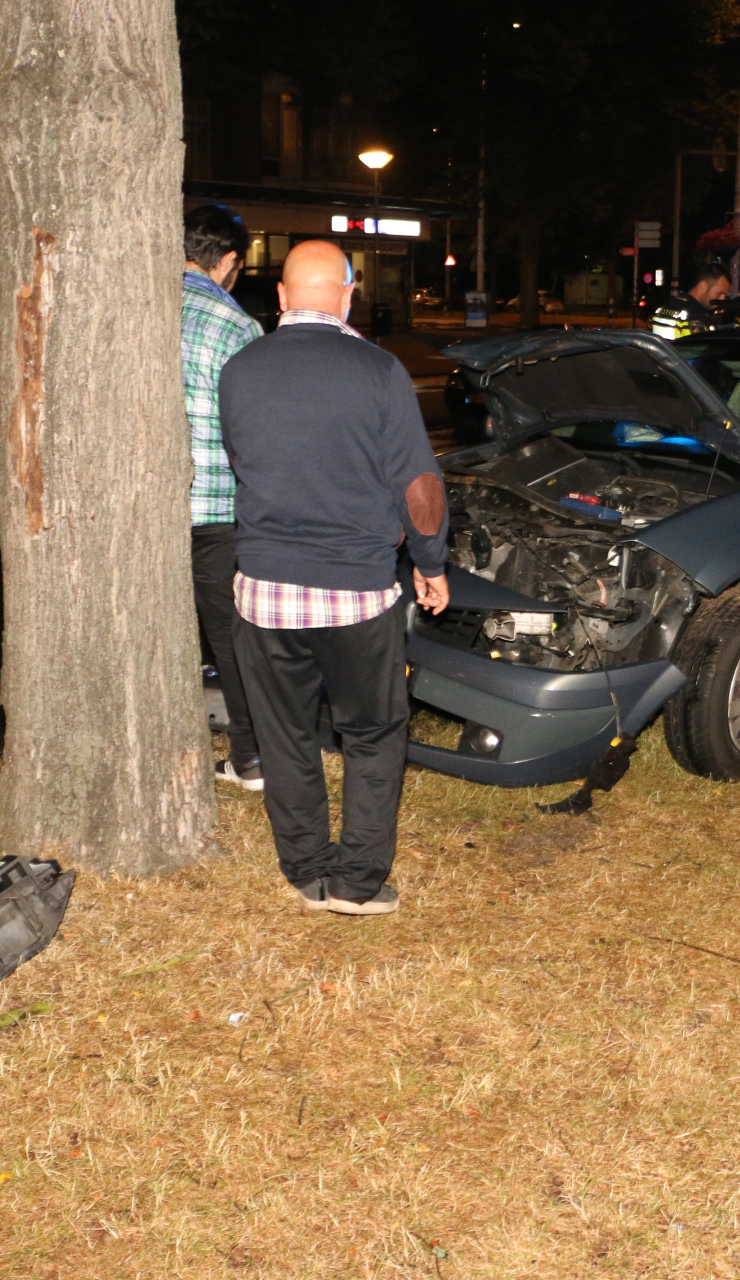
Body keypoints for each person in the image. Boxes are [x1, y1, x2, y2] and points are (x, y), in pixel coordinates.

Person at [219, 240, 450, 917]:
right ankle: (356, 883)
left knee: (284, 735)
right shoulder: (377, 369)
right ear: (348, 295)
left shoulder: (240, 369)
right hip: (357, 591)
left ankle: (307, 871)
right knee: (373, 734)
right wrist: (431, 564)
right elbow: (419, 484)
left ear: (282, 297)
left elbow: (244, 461)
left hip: (265, 591)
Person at [181, 203, 264, 790]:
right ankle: (251, 757)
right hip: (215, 509)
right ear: (230, 261)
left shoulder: (130, 307)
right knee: (232, 637)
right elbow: (253, 432)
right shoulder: (236, 327)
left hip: (142, 512)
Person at [650, 263, 732, 339]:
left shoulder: (667, 307)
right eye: (719, 293)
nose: (722, 299)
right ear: (703, 286)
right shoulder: (695, 317)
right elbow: (698, 348)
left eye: (725, 295)